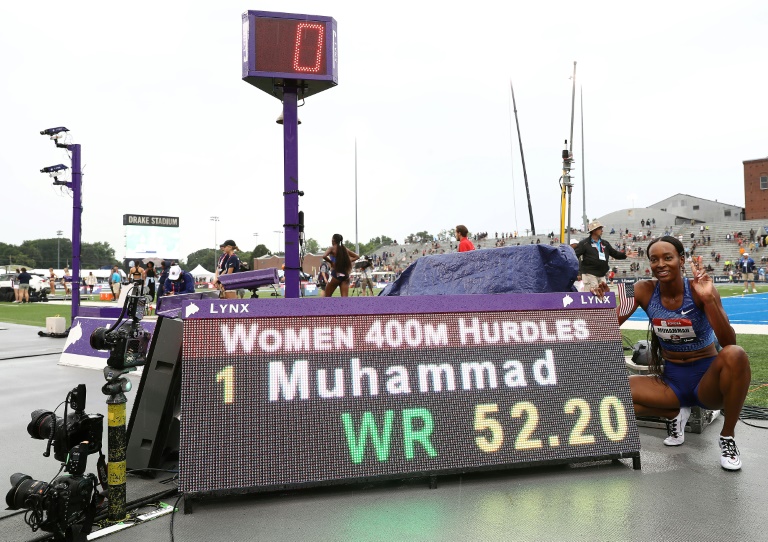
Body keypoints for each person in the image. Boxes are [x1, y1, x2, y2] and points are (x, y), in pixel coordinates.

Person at [596, 235, 749, 470]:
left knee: (736, 354)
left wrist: (709, 300)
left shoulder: (701, 290)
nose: (661, 264)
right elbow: (607, 325)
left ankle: (727, 437)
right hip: (672, 381)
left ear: (681, 259)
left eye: (668, 258)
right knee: (615, 393)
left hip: (706, 381)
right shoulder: (641, 289)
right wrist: (602, 302)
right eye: (654, 259)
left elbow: (729, 341)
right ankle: (673, 412)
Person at [573, 220, 627, 291]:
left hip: (602, 274)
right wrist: (578, 272)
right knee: (592, 296)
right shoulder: (584, 243)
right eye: (600, 228)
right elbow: (575, 256)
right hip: (589, 274)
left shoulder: (605, 243)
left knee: (603, 296)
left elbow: (615, 254)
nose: (602, 230)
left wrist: (625, 255)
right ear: (594, 231)